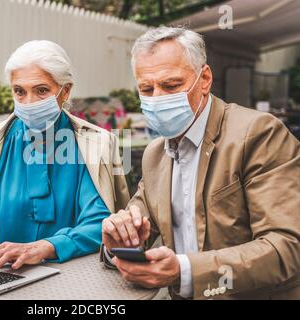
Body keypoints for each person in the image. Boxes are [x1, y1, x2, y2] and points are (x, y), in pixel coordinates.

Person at [101, 27, 300, 299]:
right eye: (146, 89)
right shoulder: (155, 154)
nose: (157, 99)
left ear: (204, 78)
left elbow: (286, 247)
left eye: (170, 85)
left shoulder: (257, 134)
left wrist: (185, 271)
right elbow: (137, 224)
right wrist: (117, 241)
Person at [0, 40, 130, 271]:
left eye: (41, 91)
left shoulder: (95, 145)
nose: (29, 103)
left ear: (65, 90)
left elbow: (100, 222)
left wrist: (47, 247)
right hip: (3, 275)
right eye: (19, 91)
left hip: (78, 279)